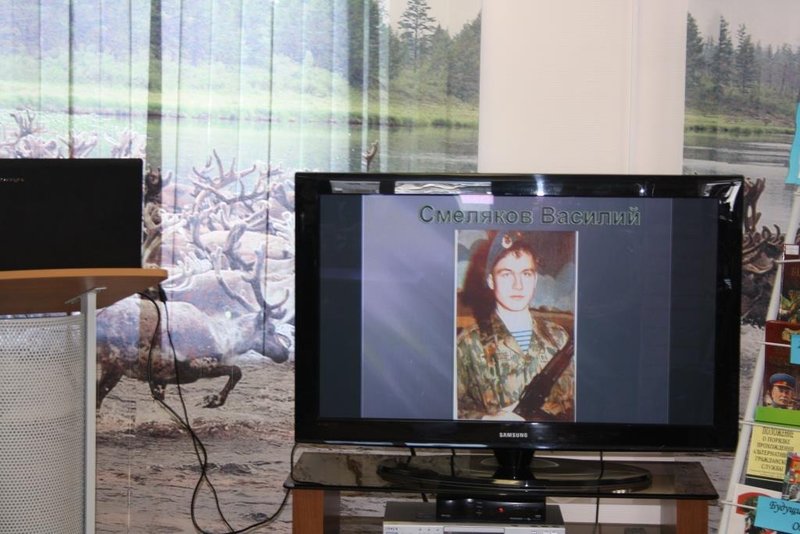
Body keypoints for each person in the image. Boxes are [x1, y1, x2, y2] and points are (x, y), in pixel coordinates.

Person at [456, 231, 574, 421]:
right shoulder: (468, 344)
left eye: (526, 274)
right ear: (491, 281)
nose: (518, 285)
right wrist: (486, 421)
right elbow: (448, 409)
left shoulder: (559, 338)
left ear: (535, 279)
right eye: (506, 274)